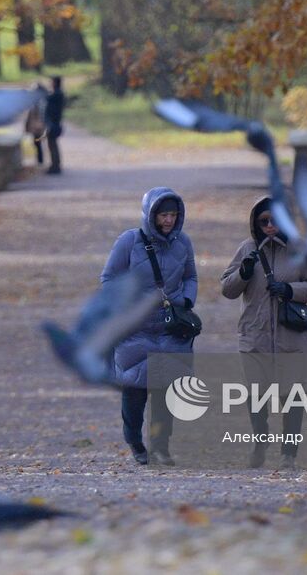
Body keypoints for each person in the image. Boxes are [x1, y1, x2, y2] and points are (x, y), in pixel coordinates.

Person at [221, 197, 307, 470]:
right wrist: (242, 273)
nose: (269, 226)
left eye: (275, 220)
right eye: (263, 221)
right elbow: (228, 290)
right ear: (256, 223)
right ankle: (260, 438)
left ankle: (288, 454)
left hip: (291, 334)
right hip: (255, 335)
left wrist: (290, 290)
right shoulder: (247, 248)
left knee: (292, 396)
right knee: (257, 394)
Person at [101, 187, 198, 466]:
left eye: (173, 214)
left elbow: (191, 276)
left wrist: (187, 300)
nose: (168, 220)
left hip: (171, 327)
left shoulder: (183, 243)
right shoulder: (129, 242)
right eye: (163, 214)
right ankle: (134, 439)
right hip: (136, 329)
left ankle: (161, 446)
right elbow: (109, 279)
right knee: (134, 391)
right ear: (150, 214)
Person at [44, 76, 69, 174]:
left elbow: (47, 98)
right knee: (52, 145)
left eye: (52, 82)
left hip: (54, 124)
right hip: (54, 123)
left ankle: (55, 166)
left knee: (53, 145)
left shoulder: (57, 94)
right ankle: (55, 164)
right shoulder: (57, 94)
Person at [24, 84, 49, 165]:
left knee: (38, 144)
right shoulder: (42, 100)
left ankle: (40, 161)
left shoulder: (39, 101)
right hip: (38, 127)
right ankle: (40, 161)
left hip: (38, 127)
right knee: (37, 144)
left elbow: (33, 115)